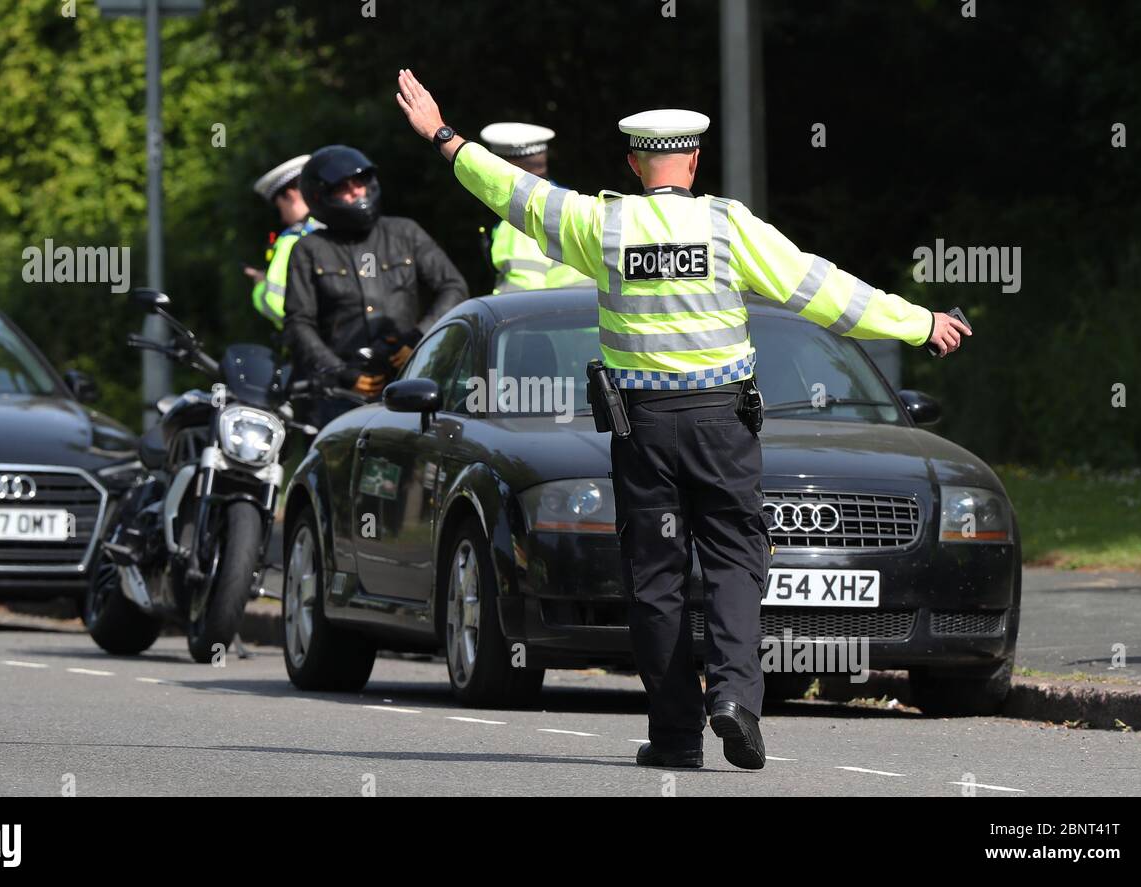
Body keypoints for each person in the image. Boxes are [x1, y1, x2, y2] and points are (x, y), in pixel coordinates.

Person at [394, 69, 970, 770]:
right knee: (734, 561)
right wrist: (918, 323)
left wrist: (444, 136)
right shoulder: (727, 227)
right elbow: (822, 290)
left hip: (641, 432)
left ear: (633, 165)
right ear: (694, 161)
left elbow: (514, 193)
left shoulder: (599, 224)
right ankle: (734, 698)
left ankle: (673, 734)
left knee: (656, 581)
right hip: (723, 427)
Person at [282, 144, 468, 409]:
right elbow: (298, 322)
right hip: (340, 394)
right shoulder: (308, 249)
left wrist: (419, 340)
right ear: (320, 197)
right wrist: (340, 373)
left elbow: (453, 286)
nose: (356, 192)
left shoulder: (405, 232)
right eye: (343, 188)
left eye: (359, 182)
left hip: (409, 381)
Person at [479, 122, 591, 292]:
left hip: (558, 316)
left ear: (505, 170)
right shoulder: (571, 202)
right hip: (587, 312)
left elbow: (518, 296)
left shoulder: (520, 219)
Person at [244, 154, 322, 330]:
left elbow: (276, 303)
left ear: (291, 195)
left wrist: (261, 285)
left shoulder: (291, 240)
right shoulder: (334, 225)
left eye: (280, 207)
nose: (282, 217)